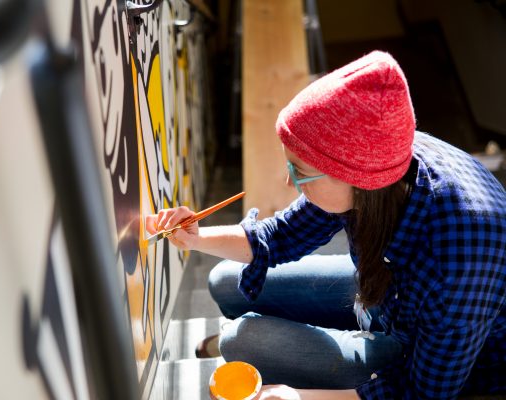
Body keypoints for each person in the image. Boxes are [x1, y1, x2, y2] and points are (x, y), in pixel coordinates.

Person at [146, 51, 506, 399]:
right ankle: (306, 343)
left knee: (241, 341)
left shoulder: (460, 261)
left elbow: (421, 393)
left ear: (354, 177)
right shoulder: (375, 159)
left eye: (299, 172)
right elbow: (282, 234)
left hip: (427, 358)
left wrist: (298, 397)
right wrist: (193, 236)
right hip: (383, 295)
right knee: (225, 280)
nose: (289, 184)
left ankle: (282, 351)